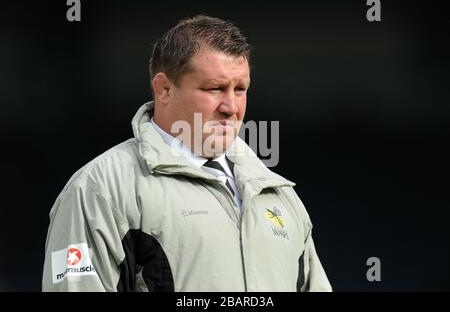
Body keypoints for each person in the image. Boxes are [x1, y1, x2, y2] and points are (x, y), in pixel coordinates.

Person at [42, 15, 332, 292]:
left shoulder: (279, 194)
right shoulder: (99, 189)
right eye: (215, 88)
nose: (231, 106)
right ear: (164, 89)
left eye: (240, 89)